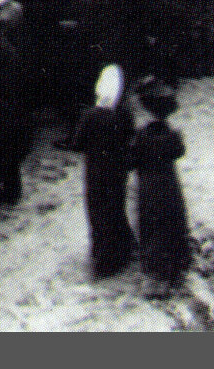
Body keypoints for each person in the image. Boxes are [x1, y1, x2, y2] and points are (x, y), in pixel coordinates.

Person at [69, 64, 134, 278]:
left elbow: (78, 143)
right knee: (115, 208)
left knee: (97, 213)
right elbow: (130, 138)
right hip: (117, 171)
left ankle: (101, 257)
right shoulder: (124, 115)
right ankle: (119, 252)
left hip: (95, 172)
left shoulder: (90, 116)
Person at [132, 82, 192, 289]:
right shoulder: (172, 137)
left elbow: (132, 159)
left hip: (148, 184)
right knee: (171, 220)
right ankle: (176, 262)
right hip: (168, 183)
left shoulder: (140, 136)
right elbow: (179, 151)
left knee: (151, 223)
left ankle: (153, 265)